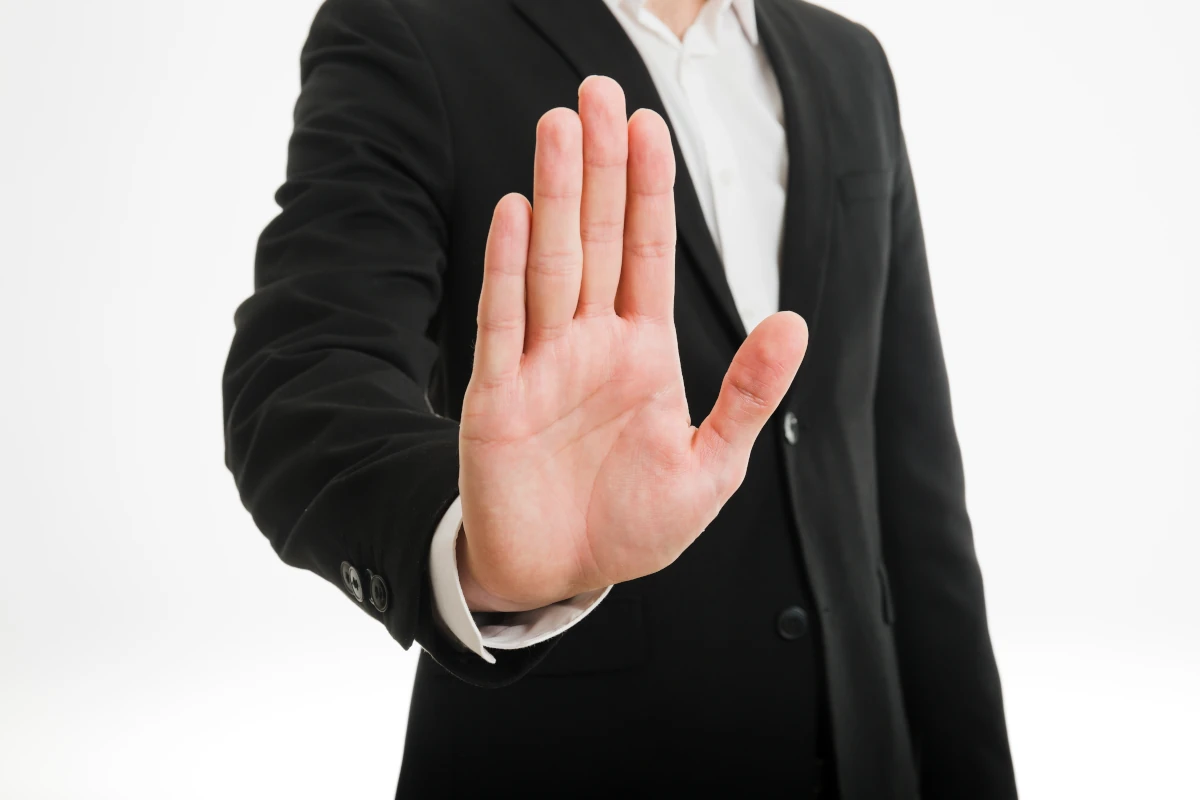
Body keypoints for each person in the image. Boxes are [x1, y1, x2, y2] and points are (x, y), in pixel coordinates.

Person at [222, 0, 1017, 796]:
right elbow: (302, 372)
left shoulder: (851, 60)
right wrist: (477, 559)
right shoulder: (410, 27)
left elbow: (919, 492)